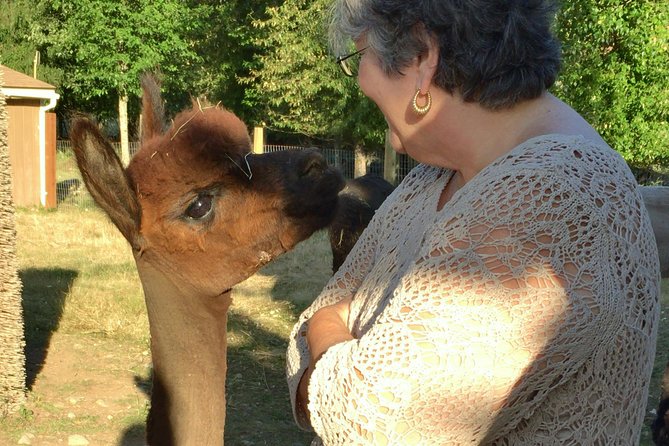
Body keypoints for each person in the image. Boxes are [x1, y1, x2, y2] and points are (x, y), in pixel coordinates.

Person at [286, 0, 661, 444]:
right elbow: (299, 345)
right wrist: (332, 344)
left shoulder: (550, 197)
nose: (359, 78)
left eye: (359, 54)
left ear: (423, 57)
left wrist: (328, 328)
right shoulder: (433, 176)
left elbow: (373, 425)